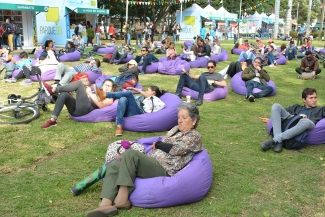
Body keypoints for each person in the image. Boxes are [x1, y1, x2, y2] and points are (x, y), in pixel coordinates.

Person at [85, 102, 201, 216]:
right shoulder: (175, 129)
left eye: (184, 118)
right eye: (178, 117)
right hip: (152, 162)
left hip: (164, 168)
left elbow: (176, 149)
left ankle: (122, 200)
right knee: (114, 165)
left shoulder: (194, 136)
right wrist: (158, 145)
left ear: (194, 120)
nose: (180, 120)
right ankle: (105, 204)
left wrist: (159, 144)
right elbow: (163, 142)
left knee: (131, 154)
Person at [260, 88, 325, 153]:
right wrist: (298, 116)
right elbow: (281, 114)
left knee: (305, 121)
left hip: (308, 124)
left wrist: (301, 118)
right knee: (276, 106)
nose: (314, 100)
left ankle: (274, 140)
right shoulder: (296, 107)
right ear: (304, 100)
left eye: (315, 97)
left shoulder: (321, 109)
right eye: (311, 98)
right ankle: (279, 142)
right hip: (293, 122)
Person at [41, 79, 116, 129]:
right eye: (106, 85)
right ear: (102, 86)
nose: (107, 87)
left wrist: (90, 93)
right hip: (78, 110)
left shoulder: (110, 97)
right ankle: (53, 120)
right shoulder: (97, 92)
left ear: (112, 89)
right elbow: (81, 100)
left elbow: (101, 105)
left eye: (109, 86)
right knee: (64, 94)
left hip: (87, 110)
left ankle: (54, 90)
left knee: (80, 84)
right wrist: (72, 97)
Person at [94, 85, 167, 136]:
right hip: (129, 109)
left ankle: (105, 95)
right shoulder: (143, 98)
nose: (146, 91)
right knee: (123, 99)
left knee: (129, 93)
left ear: (153, 93)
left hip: (136, 112)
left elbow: (162, 105)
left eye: (148, 90)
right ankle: (119, 127)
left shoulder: (156, 100)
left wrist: (138, 90)